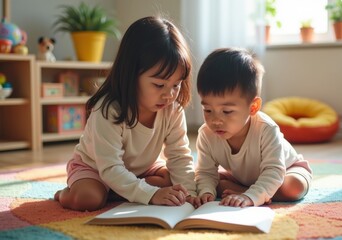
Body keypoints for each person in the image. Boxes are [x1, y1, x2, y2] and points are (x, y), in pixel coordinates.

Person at [54, 16, 197, 211]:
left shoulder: (172, 110)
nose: (169, 94)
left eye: (176, 85)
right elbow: (110, 167)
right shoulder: (109, 109)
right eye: (159, 85)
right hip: (96, 169)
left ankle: (119, 190)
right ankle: (65, 193)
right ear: (131, 73)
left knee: (172, 182)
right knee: (88, 199)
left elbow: (179, 155)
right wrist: (151, 194)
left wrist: (190, 193)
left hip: (142, 169)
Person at [194, 48, 312, 208]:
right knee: (203, 181)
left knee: (294, 188)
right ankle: (248, 189)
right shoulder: (206, 134)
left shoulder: (267, 129)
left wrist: (251, 196)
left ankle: (249, 191)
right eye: (207, 110)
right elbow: (206, 172)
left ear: (253, 107)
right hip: (241, 177)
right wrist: (206, 192)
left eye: (227, 111)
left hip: (285, 170)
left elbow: (274, 171)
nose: (215, 120)